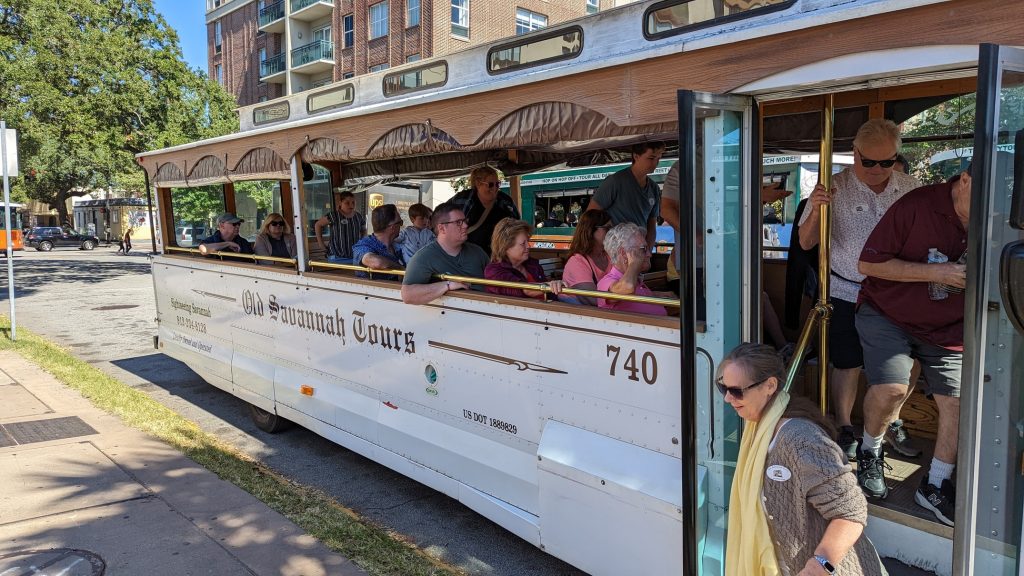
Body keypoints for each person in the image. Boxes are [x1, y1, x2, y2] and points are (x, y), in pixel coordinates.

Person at [798, 118, 923, 461]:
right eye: (868, 161)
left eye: (886, 162)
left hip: (897, 292)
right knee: (848, 361)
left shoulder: (911, 188)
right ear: (854, 154)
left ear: (896, 157)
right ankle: (844, 424)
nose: (876, 169)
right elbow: (806, 241)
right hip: (846, 288)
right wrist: (817, 210)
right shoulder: (833, 187)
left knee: (909, 362)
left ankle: (892, 420)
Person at [853, 165, 970, 524]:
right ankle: (869, 452)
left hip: (949, 327)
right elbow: (868, 264)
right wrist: (938, 272)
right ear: (965, 179)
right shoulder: (917, 204)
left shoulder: (1001, 217)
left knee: (959, 401)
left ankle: (935, 484)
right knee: (890, 389)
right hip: (889, 314)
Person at [721, 342, 887, 576]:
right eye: (723, 388)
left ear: (770, 385)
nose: (728, 398)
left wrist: (818, 567)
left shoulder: (800, 439)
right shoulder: (757, 428)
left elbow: (851, 512)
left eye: (737, 391)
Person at [401, 202, 489, 305]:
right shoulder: (424, 257)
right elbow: (407, 295)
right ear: (442, 228)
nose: (465, 225)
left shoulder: (478, 252)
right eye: (459, 222)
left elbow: (497, 281)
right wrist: (447, 285)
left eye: (465, 221)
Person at [587, 141, 665, 248]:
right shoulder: (614, 182)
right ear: (636, 156)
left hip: (638, 251)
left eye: (658, 158)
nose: (655, 163)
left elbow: (651, 227)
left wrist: (648, 252)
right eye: (651, 158)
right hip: (614, 250)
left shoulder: (654, 189)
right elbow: (590, 217)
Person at [597, 222, 672, 316]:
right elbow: (627, 287)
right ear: (624, 254)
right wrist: (634, 262)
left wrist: (656, 295)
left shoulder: (636, 281)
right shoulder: (607, 282)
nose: (649, 254)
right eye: (643, 249)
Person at [484, 218, 563, 300]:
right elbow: (524, 290)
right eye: (523, 244)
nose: (528, 246)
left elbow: (550, 297)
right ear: (506, 247)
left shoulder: (532, 264)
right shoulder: (493, 271)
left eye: (527, 242)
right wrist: (550, 285)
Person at [449, 166, 520, 256]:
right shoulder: (463, 199)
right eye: (490, 184)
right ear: (478, 184)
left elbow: (517, 226)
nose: (494, 188)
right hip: (469, 256)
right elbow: (442, 218)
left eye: (497, 184)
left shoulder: (505, 201)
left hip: (499, 256)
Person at [562, 209, 613, 306]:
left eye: (612, 228)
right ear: (590, 230)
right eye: (607, 228)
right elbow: (592, 299)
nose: (612, 233)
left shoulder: (609, 255)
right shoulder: (577, 261)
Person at [352, 204, 405, 281]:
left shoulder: (398, 246)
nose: (401, 226)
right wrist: (399, 268)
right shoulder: (364, 244)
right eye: (400, 223)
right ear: (393, 227)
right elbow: (376, 262)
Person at [314, 191, 365, 264]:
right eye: (347, 203)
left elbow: (363, 229)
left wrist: (362, 242)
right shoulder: (333, 216)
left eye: (353, 202)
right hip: (336, 258)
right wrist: (320, 243)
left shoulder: (358, 217)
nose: (351, 205)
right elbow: (318, 225)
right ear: (340, 203)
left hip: (354, 257)